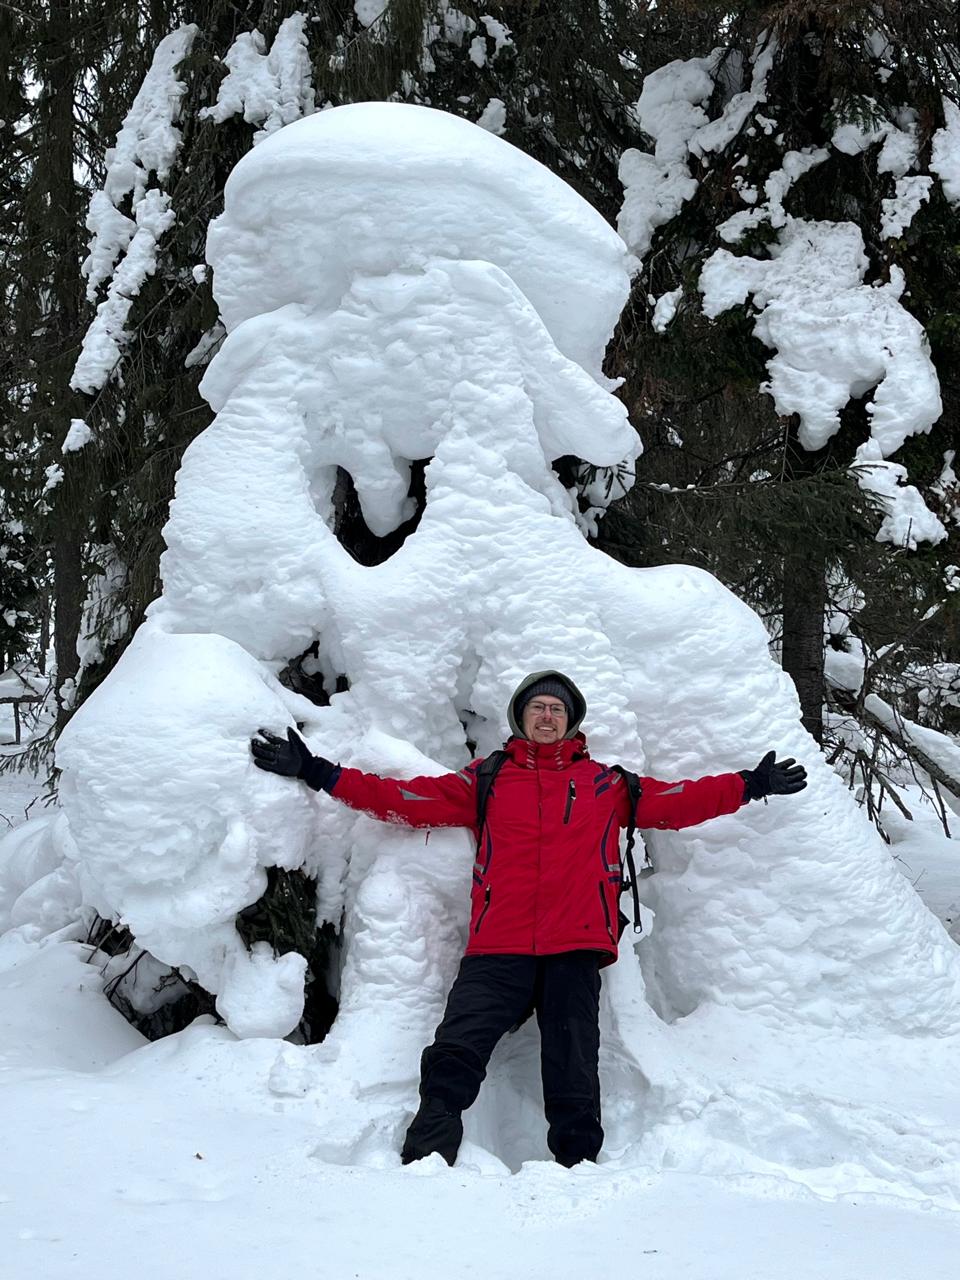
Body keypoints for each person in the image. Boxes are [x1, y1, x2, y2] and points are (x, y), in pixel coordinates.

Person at [251, 669, 806, 1168]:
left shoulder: (607, 786)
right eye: (538, 707)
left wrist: (748, 786)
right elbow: (406, 797)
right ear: (520, 718)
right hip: (499, 945)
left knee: (573, 1065)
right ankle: (424, 1160)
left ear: (572, 722)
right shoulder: (487, 780)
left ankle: (578, 1171)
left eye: (557, 709)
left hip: (576, 946)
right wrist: (318, 771)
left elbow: (678, 800)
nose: (547, 715)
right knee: (456, 1050)